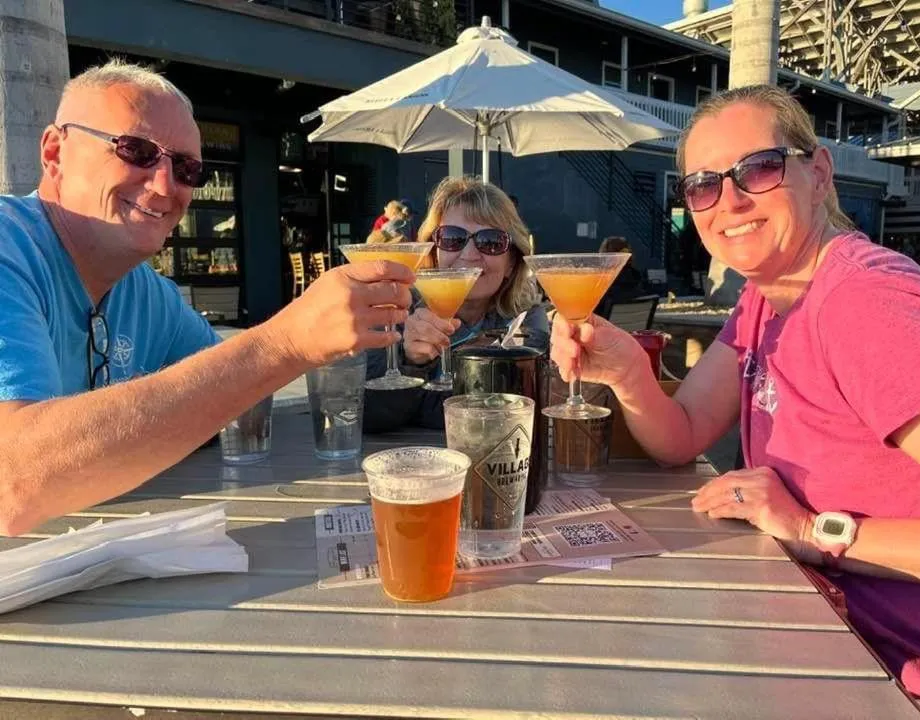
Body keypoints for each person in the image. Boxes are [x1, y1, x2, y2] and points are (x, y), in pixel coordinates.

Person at [550, 85, 920, 700]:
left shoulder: (865, 304)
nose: (730, 201)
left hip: (914, 678)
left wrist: (811, 529)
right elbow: (681, 434)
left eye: (759, 168)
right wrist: (627, 371)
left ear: (818, 173)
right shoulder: (763, 298)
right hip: (812, 635)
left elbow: (806, 529)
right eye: (703, 185)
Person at [0, 61, 413, 536]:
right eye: (135, 150)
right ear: (55, 153)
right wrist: (285, 342)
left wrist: (378, 345)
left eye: (186, 168)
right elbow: (14, 483)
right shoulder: (10, 249)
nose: (163, 185)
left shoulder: (151, 294)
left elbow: (233, 401)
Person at [364, 176, 548, 431]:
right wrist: (410, 363)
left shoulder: (526, 316)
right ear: (434, 253)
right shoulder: (394, 310)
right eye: (452, 238)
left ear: (512, 263)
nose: (470, 255)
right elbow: (367, 415)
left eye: (491, 241)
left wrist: (424, 405)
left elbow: (515, 407)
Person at [596, 235, 644, 317]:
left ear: (606, 256)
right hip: (633, 327)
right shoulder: (637, 280)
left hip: (607, 328)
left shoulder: (603, 285)